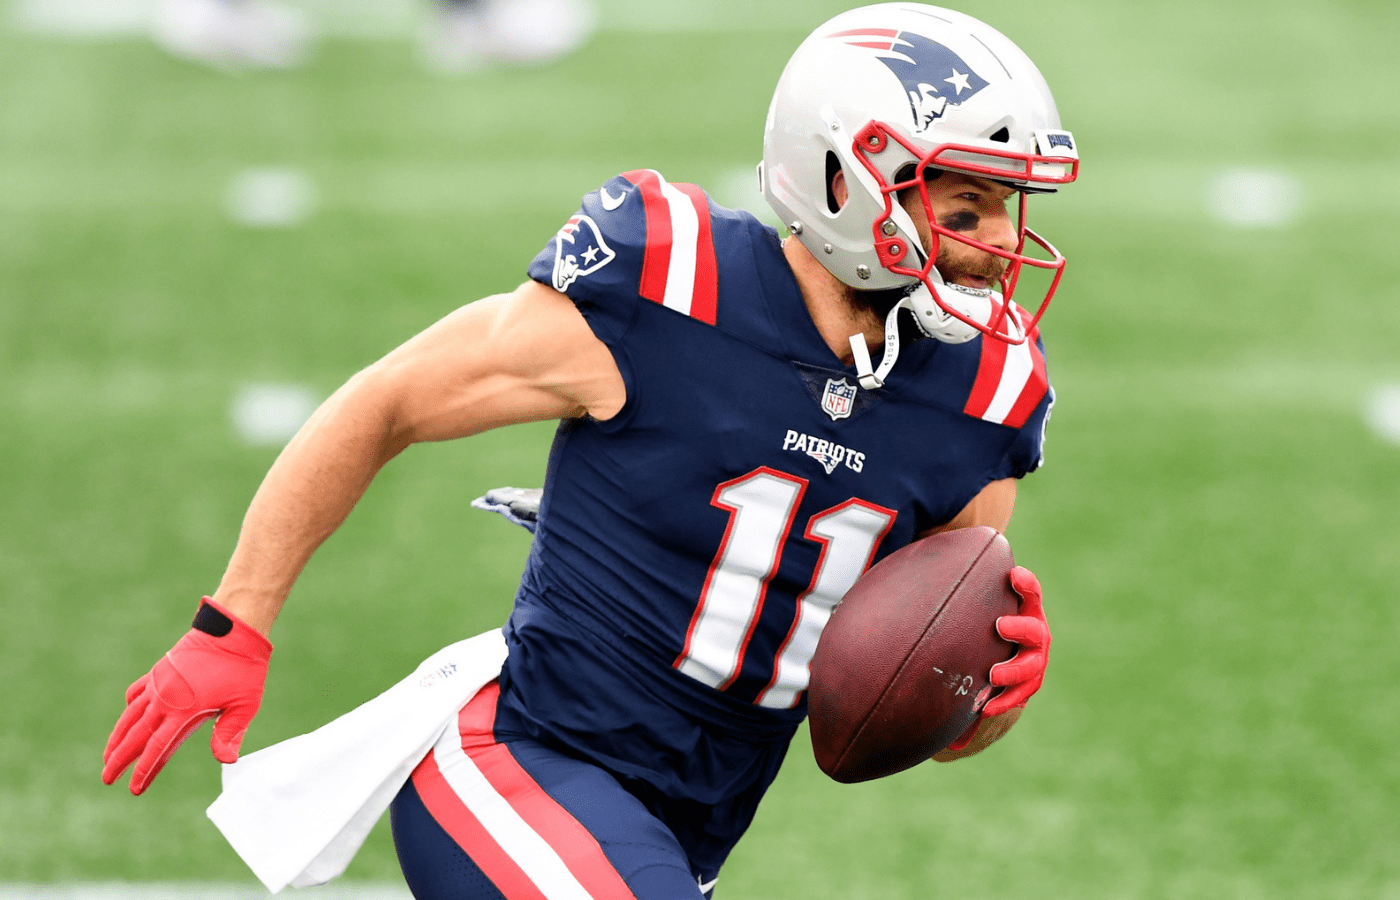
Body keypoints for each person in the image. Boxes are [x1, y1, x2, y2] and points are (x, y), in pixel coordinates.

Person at [102, 4, 1079, 898]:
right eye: (964, 208)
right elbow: (388, 402)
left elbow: (919, 690)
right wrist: (235, 624)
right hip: (510, 759)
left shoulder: (983, 394)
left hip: (678, 838)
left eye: (1006, 209)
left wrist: (989, 697)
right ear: (840, 180)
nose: (997, 244)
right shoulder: (668, 284)